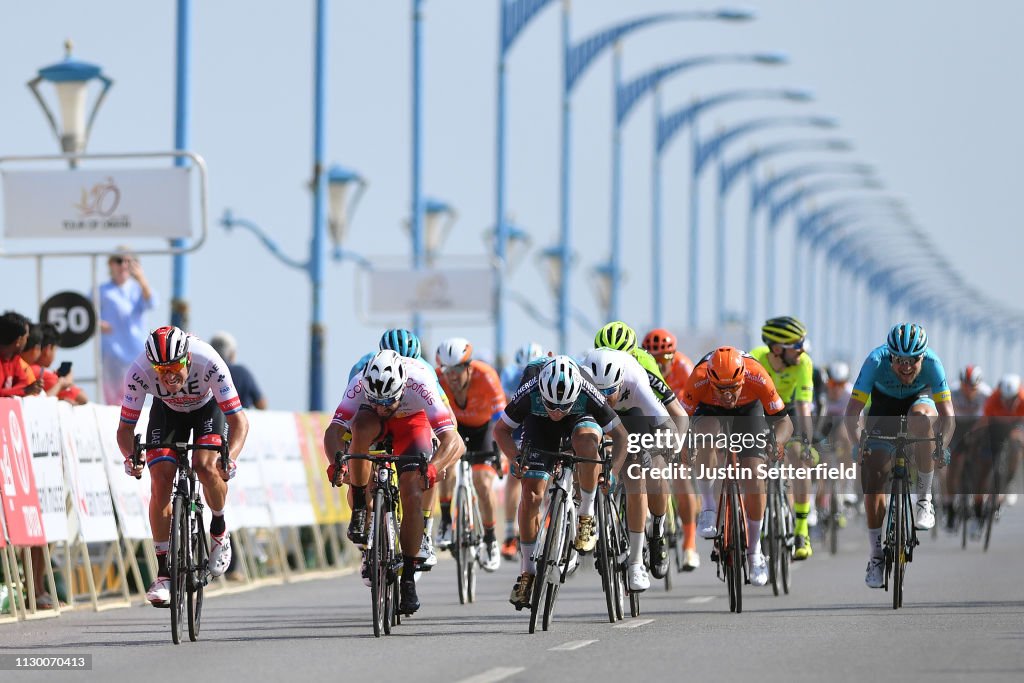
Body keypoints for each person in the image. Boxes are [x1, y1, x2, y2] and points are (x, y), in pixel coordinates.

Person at [323, 349, 465, 615]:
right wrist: (336, 463)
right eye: (376, 400)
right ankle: (360, 510)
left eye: (387, 402)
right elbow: (334, 431)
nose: (382, 408)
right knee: (360, 431)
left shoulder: (420, 382)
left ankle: (409, 578)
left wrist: (435, 467)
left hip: (412, 423)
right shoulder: (358, 385)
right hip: (371, 425)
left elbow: (452, 439)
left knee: (412, 492)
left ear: (402, 386)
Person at [116, 326, 249, 606]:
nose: (168, 375)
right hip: (167, 412)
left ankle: (219, 530)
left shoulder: (209, 361)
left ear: (187, 358)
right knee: (161, 479)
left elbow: (239, 421)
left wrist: (231, 458)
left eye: (174, 366)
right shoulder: (139, 371)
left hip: (207, 410)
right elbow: (125, 429)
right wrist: (131, 456)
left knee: (204, 465)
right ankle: (164, 574)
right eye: (161, 370)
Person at [495, 355, 630, 609]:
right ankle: (527, 572)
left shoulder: (587, 390)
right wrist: (515, 458)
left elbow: (621, 436)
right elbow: (500, 430)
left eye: (562, 406)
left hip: (580, 417)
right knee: (532, 492)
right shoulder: (530, 389)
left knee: (587, 441)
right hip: (539, 424)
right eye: (551, 405)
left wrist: (613, 472)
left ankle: (586, 514)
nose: (557, 412)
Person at [844, 323, 954, 590]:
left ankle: (924, 499)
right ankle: (875, 556)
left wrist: (942, 446)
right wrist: (860, 444)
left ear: (922, 357)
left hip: (920, 399)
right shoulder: (874, 361)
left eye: (913, 361)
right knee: (874, 473)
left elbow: (948, 417)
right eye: (899, 361)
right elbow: (851, 414)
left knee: (921, 421)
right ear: (890, 355)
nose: (906, 367)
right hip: (884, 406)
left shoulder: (933, 363)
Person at [682, 347, 794, 587]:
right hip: (708, 410)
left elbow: (784, 421)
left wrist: (779, 442)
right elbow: (680, 420)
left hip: (748, 411)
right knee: (706, 436)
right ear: (710, 379)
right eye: (721, 389)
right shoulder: (699, 378)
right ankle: (709, 508)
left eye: (733, 387)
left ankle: (755, 552)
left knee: (755, 473)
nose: (728, 395)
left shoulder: (757, 375)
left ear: (743, 378)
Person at [581, 347, 685, 588]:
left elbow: (666, 422)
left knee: (636, 472)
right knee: (583, 452)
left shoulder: (636, 379)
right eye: (600, 392)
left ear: (620, 382)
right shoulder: (584, 376)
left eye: (609, 392)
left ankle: (636, 562)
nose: (605, 399)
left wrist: (669, 446)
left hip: (633, 416)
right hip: (595, 416)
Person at [434, 337, 507, 571]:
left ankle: (490, 539)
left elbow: (501, 421)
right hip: (453, 428)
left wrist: (502, 453)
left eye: (457, 370)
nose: (451, 376)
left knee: (482, 482)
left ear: (468, 367)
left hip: (484, 429)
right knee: (444, 468)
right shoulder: (436, 379)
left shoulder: (486, 376)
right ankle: (445, 520)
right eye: (446, 370)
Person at [749, 316, 817, 560]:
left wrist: (807, 441)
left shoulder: (803, 363)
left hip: (788, 411)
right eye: (796, 345)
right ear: (777, 349)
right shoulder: (755, 359)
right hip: (758, 411)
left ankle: (801, 529)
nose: (802, 349)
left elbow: (803, 406)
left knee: (800, 457)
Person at [498, 341, 545, 560]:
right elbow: (504, 408)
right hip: (518, 420)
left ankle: (551, 519)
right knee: (514, 475)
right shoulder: (508, 374)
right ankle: (509, 535)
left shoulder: (547, 371)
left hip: (542, 419)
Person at [99, 248, 155, 405]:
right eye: (119, 261)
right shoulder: (101, 291)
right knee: (113, 398)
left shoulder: (138, 288)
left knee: (136, 395)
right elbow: (88, 315)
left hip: (136, 351)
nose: (124, 265)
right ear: (111, 264)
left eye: (128, 262)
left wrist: (141, 278)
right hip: (112, 353)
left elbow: (152, 302)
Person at [943, 365, 990, 530]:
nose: (969, 391)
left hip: (977, 426)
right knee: (953, 467)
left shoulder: (986, 394)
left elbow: (990, 418)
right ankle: (949, 509)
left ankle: (978, 508)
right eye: (965, 387)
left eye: (973, 388)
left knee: (981, 465)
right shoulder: (951, 391)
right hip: (956, 426)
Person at [21, 323, 87, 405]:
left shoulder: (23, 366)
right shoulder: (44, 374)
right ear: (48, 349)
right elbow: (83, 398)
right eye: (55, 350)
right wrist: (65, 383)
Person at [210, 331, 266, 409]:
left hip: (212, 420)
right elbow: (261, 404)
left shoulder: (204, 373)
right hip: (240, 418)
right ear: (231, 353)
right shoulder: (242, 373)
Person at [1, 311, 42, 397]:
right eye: (26, 337)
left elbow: (23, 382)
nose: (27, 341)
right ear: (18, 341)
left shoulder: (14, 359)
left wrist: (23, 390)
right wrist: (24, 391)